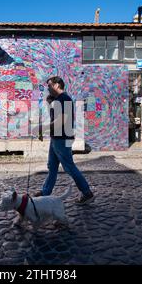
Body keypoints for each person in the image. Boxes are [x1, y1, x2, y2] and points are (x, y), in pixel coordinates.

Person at [32, 76, 95, 205]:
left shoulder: (65, 99)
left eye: (49, 86)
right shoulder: (58, 100)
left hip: (63, 139)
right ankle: (45, 192)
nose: (48, 89)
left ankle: (87, 193)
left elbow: (61, 121)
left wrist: (42, 127)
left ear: (56, 85)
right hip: (56, 138)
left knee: (69, 167)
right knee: (52, 167)